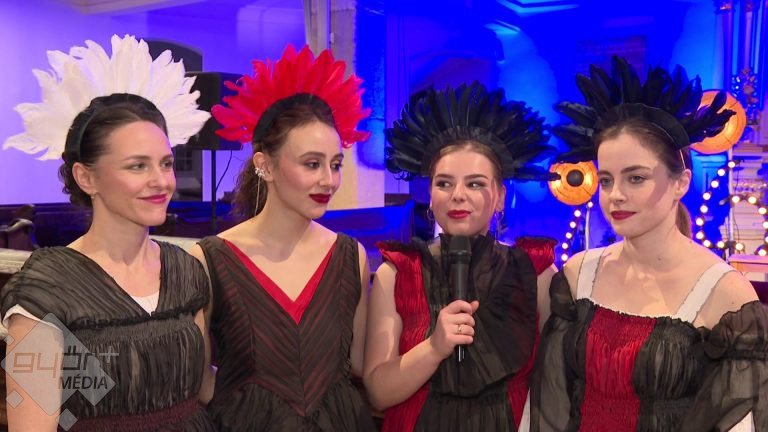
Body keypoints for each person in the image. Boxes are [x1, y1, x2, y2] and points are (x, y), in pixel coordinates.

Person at [530, 56, 768, 431]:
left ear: (680, 183)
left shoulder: (726, 293)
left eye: (636, 178)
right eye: (606, 180)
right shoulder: (578, 275)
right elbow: (553, 402)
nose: (615, 195)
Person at [1, 35, 214, 431]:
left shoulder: (186, 271)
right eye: (137, 166)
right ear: (87, 177)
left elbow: (202, 389)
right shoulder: (44, 290)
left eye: (166, 163)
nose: (161, 181)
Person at [188, 44, 375, 431]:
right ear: (265, 165)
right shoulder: (210, 259)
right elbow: (198, 380)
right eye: (312, 164)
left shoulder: (349, 256)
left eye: (335, 164)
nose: (328, 180)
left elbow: (357, 363)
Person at [364, 81, 559, 431]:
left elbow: (554, 386)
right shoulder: (398, 273)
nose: (457, 195)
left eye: (475, 183)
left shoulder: (536, 272)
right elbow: (377, 393)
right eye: (444, 183)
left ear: (500, 196)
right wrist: (433, 348)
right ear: (430, 194)